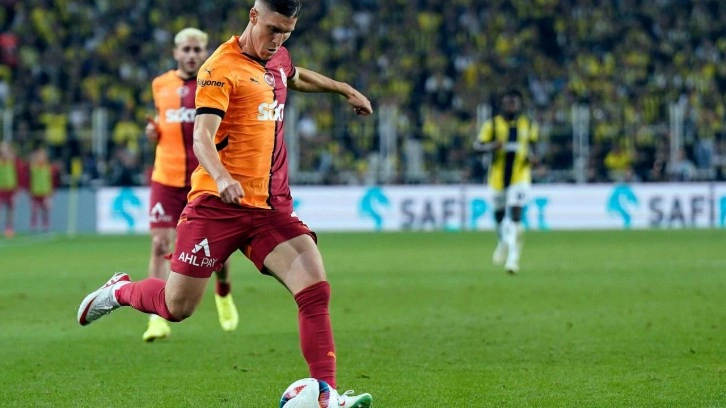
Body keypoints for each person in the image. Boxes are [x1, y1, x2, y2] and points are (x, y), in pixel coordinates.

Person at [77, 2, 373, 407]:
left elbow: (296, 75)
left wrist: (343, 88)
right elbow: (201, 135)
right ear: (253, 16)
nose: (278, 40)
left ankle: (326, 395)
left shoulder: (277, 56)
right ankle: (120, 291)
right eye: (273, 29)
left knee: (314, 287)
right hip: (217, 205)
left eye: (287, 32)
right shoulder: (219, 68)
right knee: (176, 307)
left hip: (270, 208)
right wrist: (222, 178)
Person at [142, 27, 239, 342]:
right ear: (176, 53)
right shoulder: (160, 85)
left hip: (204, 178)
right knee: (160, 245)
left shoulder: (214, 82)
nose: (192, 55)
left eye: (197, 50)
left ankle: (223, 292)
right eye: (186, 49)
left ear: (205, 52)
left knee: (217, 251)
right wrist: (154, 133)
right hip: (166, 178)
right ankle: (156, 318)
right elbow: (165, 124)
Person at [473, 89, 538, 274]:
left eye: (514, 103)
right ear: (502, 105)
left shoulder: (528, 124)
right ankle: (502, 241)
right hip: (497, 177)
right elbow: (477, 146)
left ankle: (513, 260)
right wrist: (492, 146)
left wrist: (534, 159)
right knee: (499, 216)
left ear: (519, 105)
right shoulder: (492, 125)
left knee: (516, 215)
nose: (511, 106)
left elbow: (534, 147)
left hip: (520, 176)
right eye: (508, 103)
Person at [28, 146, 58, 233]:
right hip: (35, 192)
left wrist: (51, 193)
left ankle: (46, 226)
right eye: (39, 156)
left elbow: (52, 181)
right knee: (34, 210)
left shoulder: (48, 167)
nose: (40, 157)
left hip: (45, 193)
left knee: (46, 210)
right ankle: (34, 226)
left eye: (42, 156)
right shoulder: (33, 167)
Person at [0, 141, 22, 238]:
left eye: (5, 148)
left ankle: (9, 228)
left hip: (11, 188)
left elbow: (20, 174)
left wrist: (18, 188)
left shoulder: (14, 161)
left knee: (10, 209)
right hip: (0, 188)